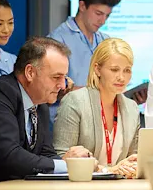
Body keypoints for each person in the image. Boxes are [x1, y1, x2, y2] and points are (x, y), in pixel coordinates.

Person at [0, 37, 91, 187]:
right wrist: (67, 166)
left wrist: (77, 166)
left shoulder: (40, 104)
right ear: (30, 72)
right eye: (56, 77)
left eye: (64, 77)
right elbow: (10, 156)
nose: (62, 85)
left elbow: (46, 153)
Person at [53, 38, 140, 178]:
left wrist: (133, 165)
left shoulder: (132, 108)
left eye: (127, 70)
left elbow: (134, 157)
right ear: (97, 69)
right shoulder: (75, 101)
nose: (121, 77)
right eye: (114, 70)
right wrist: (107, 171)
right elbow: (61, 158)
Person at [47, 0, 122, 130]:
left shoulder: (105, 41)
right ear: (82, 5)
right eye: (98, 13)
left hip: (99, 127)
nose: (103, 21)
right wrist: (97, 93)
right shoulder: (57, 40)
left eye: (107, 15)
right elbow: (49, 88)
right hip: (66, 125)